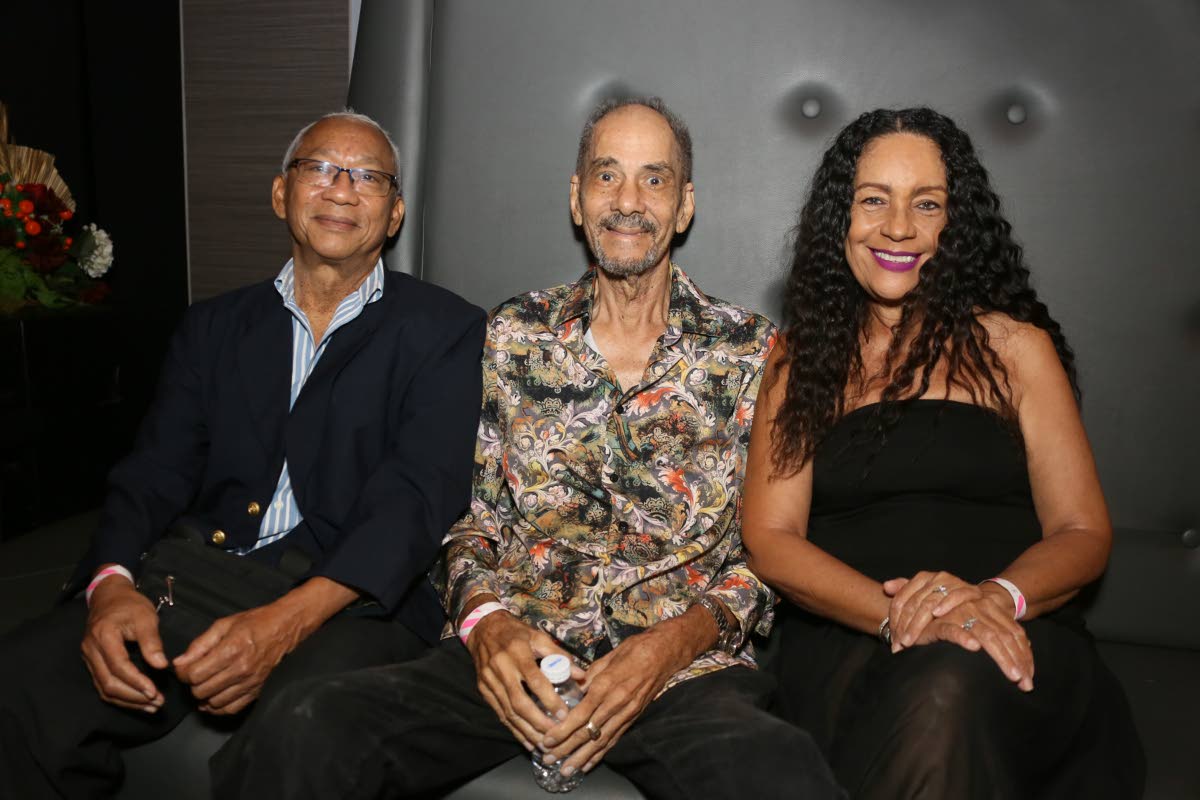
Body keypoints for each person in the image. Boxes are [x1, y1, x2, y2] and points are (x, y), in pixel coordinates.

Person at [213, 97, 844, 799]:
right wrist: (488, 628)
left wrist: (671, 646)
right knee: (306, 724)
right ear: (577, 200)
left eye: (654, 179)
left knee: (783, 776)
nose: (628, 201)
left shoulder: (753, 351)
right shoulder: (514, 334)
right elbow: (467, 524)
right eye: (607, 176)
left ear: (684, 205)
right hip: (514, 660)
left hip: (679, 674)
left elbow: (763, 558)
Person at [0, 110, 486, 797]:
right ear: (281, 194)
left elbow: (414, 499)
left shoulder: (446, 331)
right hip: (201, 569)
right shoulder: (214, 327)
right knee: (20, 685)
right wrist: (109, 585)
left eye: (368, 177)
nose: (341, 190)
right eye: (318, 168)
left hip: (350, 598)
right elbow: (153, 472)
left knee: (305, 731)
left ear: (395, 211)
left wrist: (284, 625)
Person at [741, 107, 1145, 799]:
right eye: (874, 200)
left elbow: (1083, 533)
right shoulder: (800, 363)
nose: (898, 227)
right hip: (853, 643)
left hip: (1013, 636)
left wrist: (992, 600)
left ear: (954, 225)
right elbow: (769, 538)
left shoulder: (1016, 349)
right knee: (934, 688)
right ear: (841, 219)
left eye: (926, 204)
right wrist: (900, 612)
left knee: (951, 680)